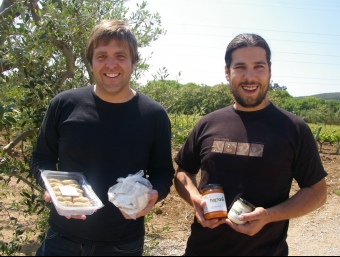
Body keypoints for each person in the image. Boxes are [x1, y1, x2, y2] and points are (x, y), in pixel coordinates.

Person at [30, 19, 175, 256]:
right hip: (61, 239)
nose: (111, 64)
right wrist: (50, 187)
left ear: (133, 62)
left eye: (120, 55)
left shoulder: (154, 115)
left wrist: (154, 194)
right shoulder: (64, 104)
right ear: (90, 63)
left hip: (122, 245)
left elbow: (163, 172)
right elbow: (40, 158)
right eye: (101, 56)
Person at [174, 33, 327, 256]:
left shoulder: (294, 128)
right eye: (240, 67)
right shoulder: (208, 123)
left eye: (258, 67)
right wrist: (194, 198)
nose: (250, 76)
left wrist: (269, 216)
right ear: (227, 72)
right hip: (201, 249)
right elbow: (183, 172)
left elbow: (317, 192)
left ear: (270, 71)